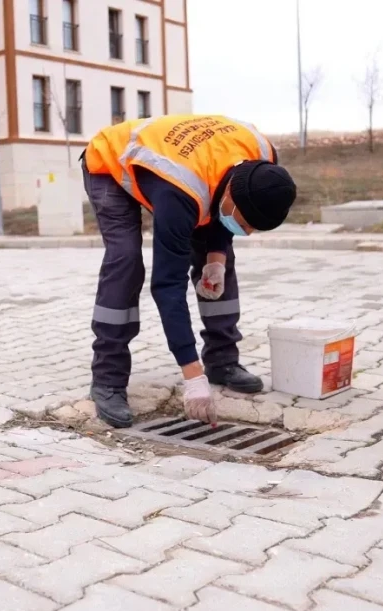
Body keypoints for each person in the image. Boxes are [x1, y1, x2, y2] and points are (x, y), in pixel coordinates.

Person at [80, 114, 297, 429]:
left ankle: (223, 361)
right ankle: (107, 379)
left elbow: (225, 198)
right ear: (232, 199)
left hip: (193, 169)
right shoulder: (179, 191)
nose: (245, 232)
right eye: (245, 224)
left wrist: (217, 256)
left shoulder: (263, 158)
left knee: (220, 258)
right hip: (111, 163)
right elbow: (168, 285)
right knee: (125, 261)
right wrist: (192, 376)